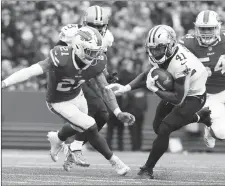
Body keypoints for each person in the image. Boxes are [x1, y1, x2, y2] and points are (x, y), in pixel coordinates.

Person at [1, 26, 135, 176]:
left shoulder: (97, 61)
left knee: (80, 127)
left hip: (77, 96)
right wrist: (5, 83)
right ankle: (115, 162)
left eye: (96, 52)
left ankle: (56, 138)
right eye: (90, 51)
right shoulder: (61, 56)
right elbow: (31, 70)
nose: (94, 55)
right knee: (90, 125)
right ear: (78, 47)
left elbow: (105, 88)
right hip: (58, 101)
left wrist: (118, 112)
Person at [106, 25, 212, 179]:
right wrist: (125, 88)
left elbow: (178, 99)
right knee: (157, 127)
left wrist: (155, 90)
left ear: (170, 46)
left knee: (165, 129)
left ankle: (147, 169)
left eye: (159, 49)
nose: (155, 53)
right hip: (178, 90)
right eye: (152, 49)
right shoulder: (164, 55)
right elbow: (147, 75)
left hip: (193, 96)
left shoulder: (182, 64)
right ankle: (199, 117)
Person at [56, 5, 119, 169]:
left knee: (103, 116)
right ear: (85, 23)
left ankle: (64, 141)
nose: (98, 29)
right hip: (71, 77)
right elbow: (56, 53)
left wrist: (106, 74)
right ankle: (75, 147)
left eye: (100, 26)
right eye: (93, 26)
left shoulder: (108, 38)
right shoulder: (72, 33)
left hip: (89, 77)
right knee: (94, 109)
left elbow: (99, 58)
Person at [179, 10, 225, 148]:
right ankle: (210, 129)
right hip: (207, 94)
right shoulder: (186, 43)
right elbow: (177, 70)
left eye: (210, 28)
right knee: (221, 132)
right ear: (196, 28)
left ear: (218, 27)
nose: (206, 32)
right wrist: (196, 72)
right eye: (203, 28)